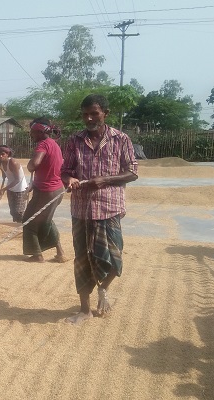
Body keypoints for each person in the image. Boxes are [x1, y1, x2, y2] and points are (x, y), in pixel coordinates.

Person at [61, 94, 138, 324]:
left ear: (106, 113)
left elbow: (132, 172)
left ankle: (103, 289)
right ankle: (84, 309)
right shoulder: (74, 140)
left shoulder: (121, 139)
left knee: (114, 259)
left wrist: (104, 180)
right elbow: (65, 170)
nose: (89, 118)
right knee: (81, 260)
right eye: (85, 114)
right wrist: (69, 179)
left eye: (94, 113)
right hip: (81, 210)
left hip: (109, 208)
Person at [23, 117, 69, 263]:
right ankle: (60, 253)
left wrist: (30, 164)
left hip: (46, 192)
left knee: (29, 221)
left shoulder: (42, 145)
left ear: (39, 131)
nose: (31, 135)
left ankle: (37, 255)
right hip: (56, 190)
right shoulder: (54, 144)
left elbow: (34, 164)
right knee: (46, 221)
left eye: (32, 132)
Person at [0, 145, 28, 222]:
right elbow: (1, 167)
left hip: (21, 189)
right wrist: (3, 172)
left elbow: (17, 179)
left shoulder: (13, 162)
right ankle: (16, 225)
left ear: (8, 154)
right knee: (13, 212)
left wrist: (4, 189)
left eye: (3, 154)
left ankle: (23, 226)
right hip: (11, 188)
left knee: (18, 211)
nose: (1, 156)